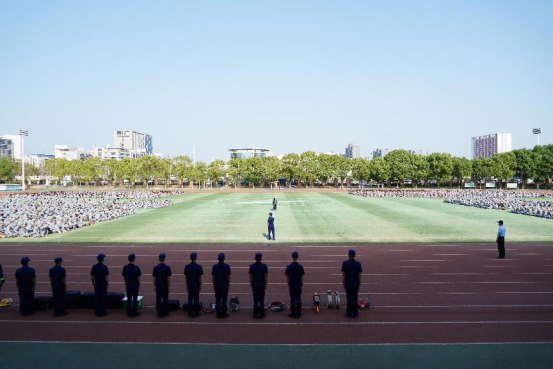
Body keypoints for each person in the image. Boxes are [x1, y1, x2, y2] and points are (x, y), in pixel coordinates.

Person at [341, 249, 362, 319]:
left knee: (349, 298)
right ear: (354, 255)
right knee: (355, 297)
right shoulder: (358, 263)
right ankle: (355, 313)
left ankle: (349, 313)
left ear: (348, 255)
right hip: (355, 283)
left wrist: (343, 282)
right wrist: (360, 282)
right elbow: (359, 275)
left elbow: (344, 274)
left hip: (348, 283)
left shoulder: (345, 263)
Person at [285, 251, 304, 318]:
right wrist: (301, 283)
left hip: (292, 284)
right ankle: (298, 312)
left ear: (292, 257)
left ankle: (293, 312)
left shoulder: (289, 267)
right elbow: (302, 277)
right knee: (298, 298)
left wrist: (288, 285)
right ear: (297, 257)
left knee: (292, 298)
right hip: (298, 284)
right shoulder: (300, 267)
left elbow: (288, 277)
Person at [212, 253, 231, 318]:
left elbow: (213, 277)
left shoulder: (214, 266)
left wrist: (214, 284)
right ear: (224, 258)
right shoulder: (227, 266)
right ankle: (224, 313)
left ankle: (218, 313)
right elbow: (228, 277)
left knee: (217, 299)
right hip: (224, 285)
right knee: (224, 299)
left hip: (217, 284)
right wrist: (228, 284)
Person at [249, 252, 268, 319]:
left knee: (256, 299)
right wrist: (265, 284)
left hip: (255, 285)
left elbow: (251, 277)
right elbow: (265, 277)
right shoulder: (264, 266)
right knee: (261, 299)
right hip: (261, 284)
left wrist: (251, 284)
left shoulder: (251, 266)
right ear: (261, 258)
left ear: (255, 258)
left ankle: (255, 313)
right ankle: (262, 313)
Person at [122, 253, 142, 318]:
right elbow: (138, 278)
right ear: (134, 259)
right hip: (135, 285)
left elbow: (124, 277)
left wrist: (126, 283)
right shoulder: (136, 268)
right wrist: (139, 284)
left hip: (128, 284)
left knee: (129, 298)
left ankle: (129, 312)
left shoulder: (125, 267)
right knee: (135, 298)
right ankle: (134, 312)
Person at [184, 252, 203, 318]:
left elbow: (186, 277)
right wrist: (200, 285)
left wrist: (186, 285)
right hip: (196, 284)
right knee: (196, 299)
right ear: (196, 258)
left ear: (190, 258)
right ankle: (196, 312)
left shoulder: (186, 266)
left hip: (189, 284)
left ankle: (190, 312)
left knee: (190, 299)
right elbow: (199, 277)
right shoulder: (199, 267)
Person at [152, 253, 172, 318]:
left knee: (158, 298)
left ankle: (159, 312)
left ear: (159, 259)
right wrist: (169, 286)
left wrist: (155, 286)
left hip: (158, 285)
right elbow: (168, 278)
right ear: (164, 259)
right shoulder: (167, 268)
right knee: (165, 299)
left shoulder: (155, 268)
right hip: (165, 286)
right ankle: (165, 312)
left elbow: (154, 278)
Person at [90, 253, 109, 317]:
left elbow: (92, 276)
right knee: (103, 297)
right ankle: (102, 311)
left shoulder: (94, 267)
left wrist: (93, 283)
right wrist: (108, 284)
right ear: (103, 259)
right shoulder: (104, 267)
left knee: (97, 297)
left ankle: (97, 311)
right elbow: (106, 276)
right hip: (103, 284)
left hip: (97, 284)